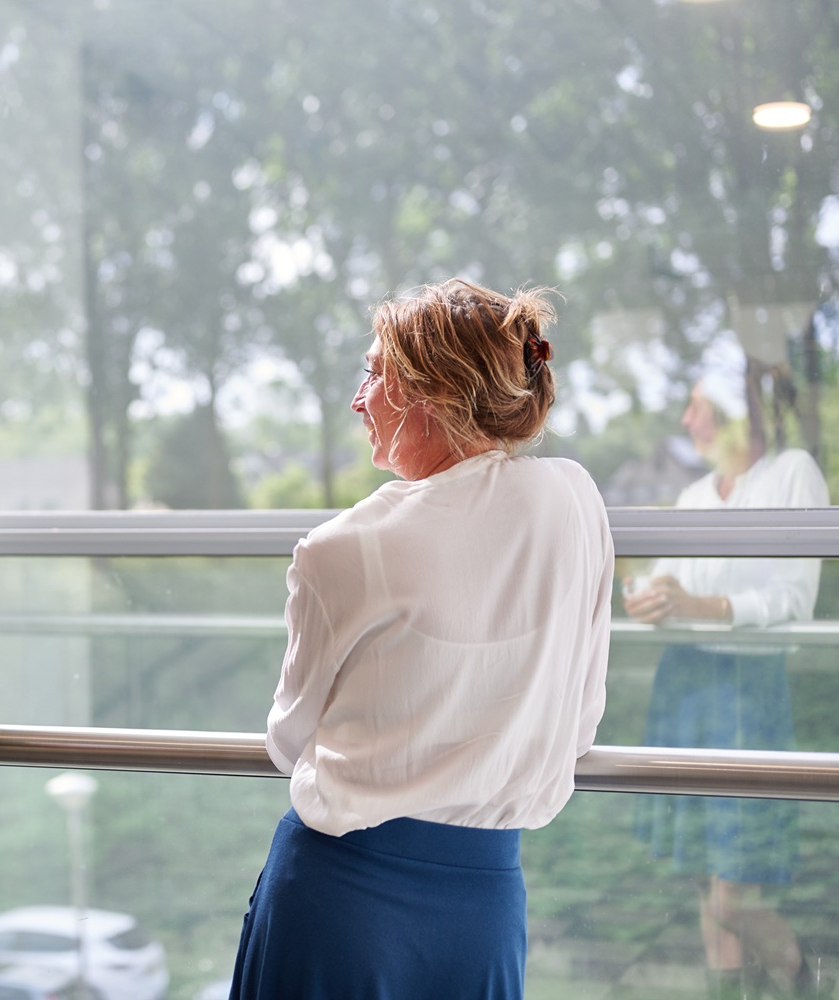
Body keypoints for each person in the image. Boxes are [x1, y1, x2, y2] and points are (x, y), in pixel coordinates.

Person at [230, 278, 614, 999]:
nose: (357, 398)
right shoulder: (576, 500)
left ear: (432, 390)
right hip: (487, 902)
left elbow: (287, 742)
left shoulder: (342, 548)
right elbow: (582, 721)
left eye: (374, 372)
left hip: (341, 896)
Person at [626, 350, 829, 999]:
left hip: (747, 696)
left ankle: (803, 977)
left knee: (731, 894)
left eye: (699, 405)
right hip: (686, 689)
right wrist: (646, 599)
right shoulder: (694, 492)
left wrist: (696, 606)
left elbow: (793, 599)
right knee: (707, 881)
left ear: (738, 412)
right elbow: (666, 584)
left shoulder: (793, 474)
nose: (687, 419)